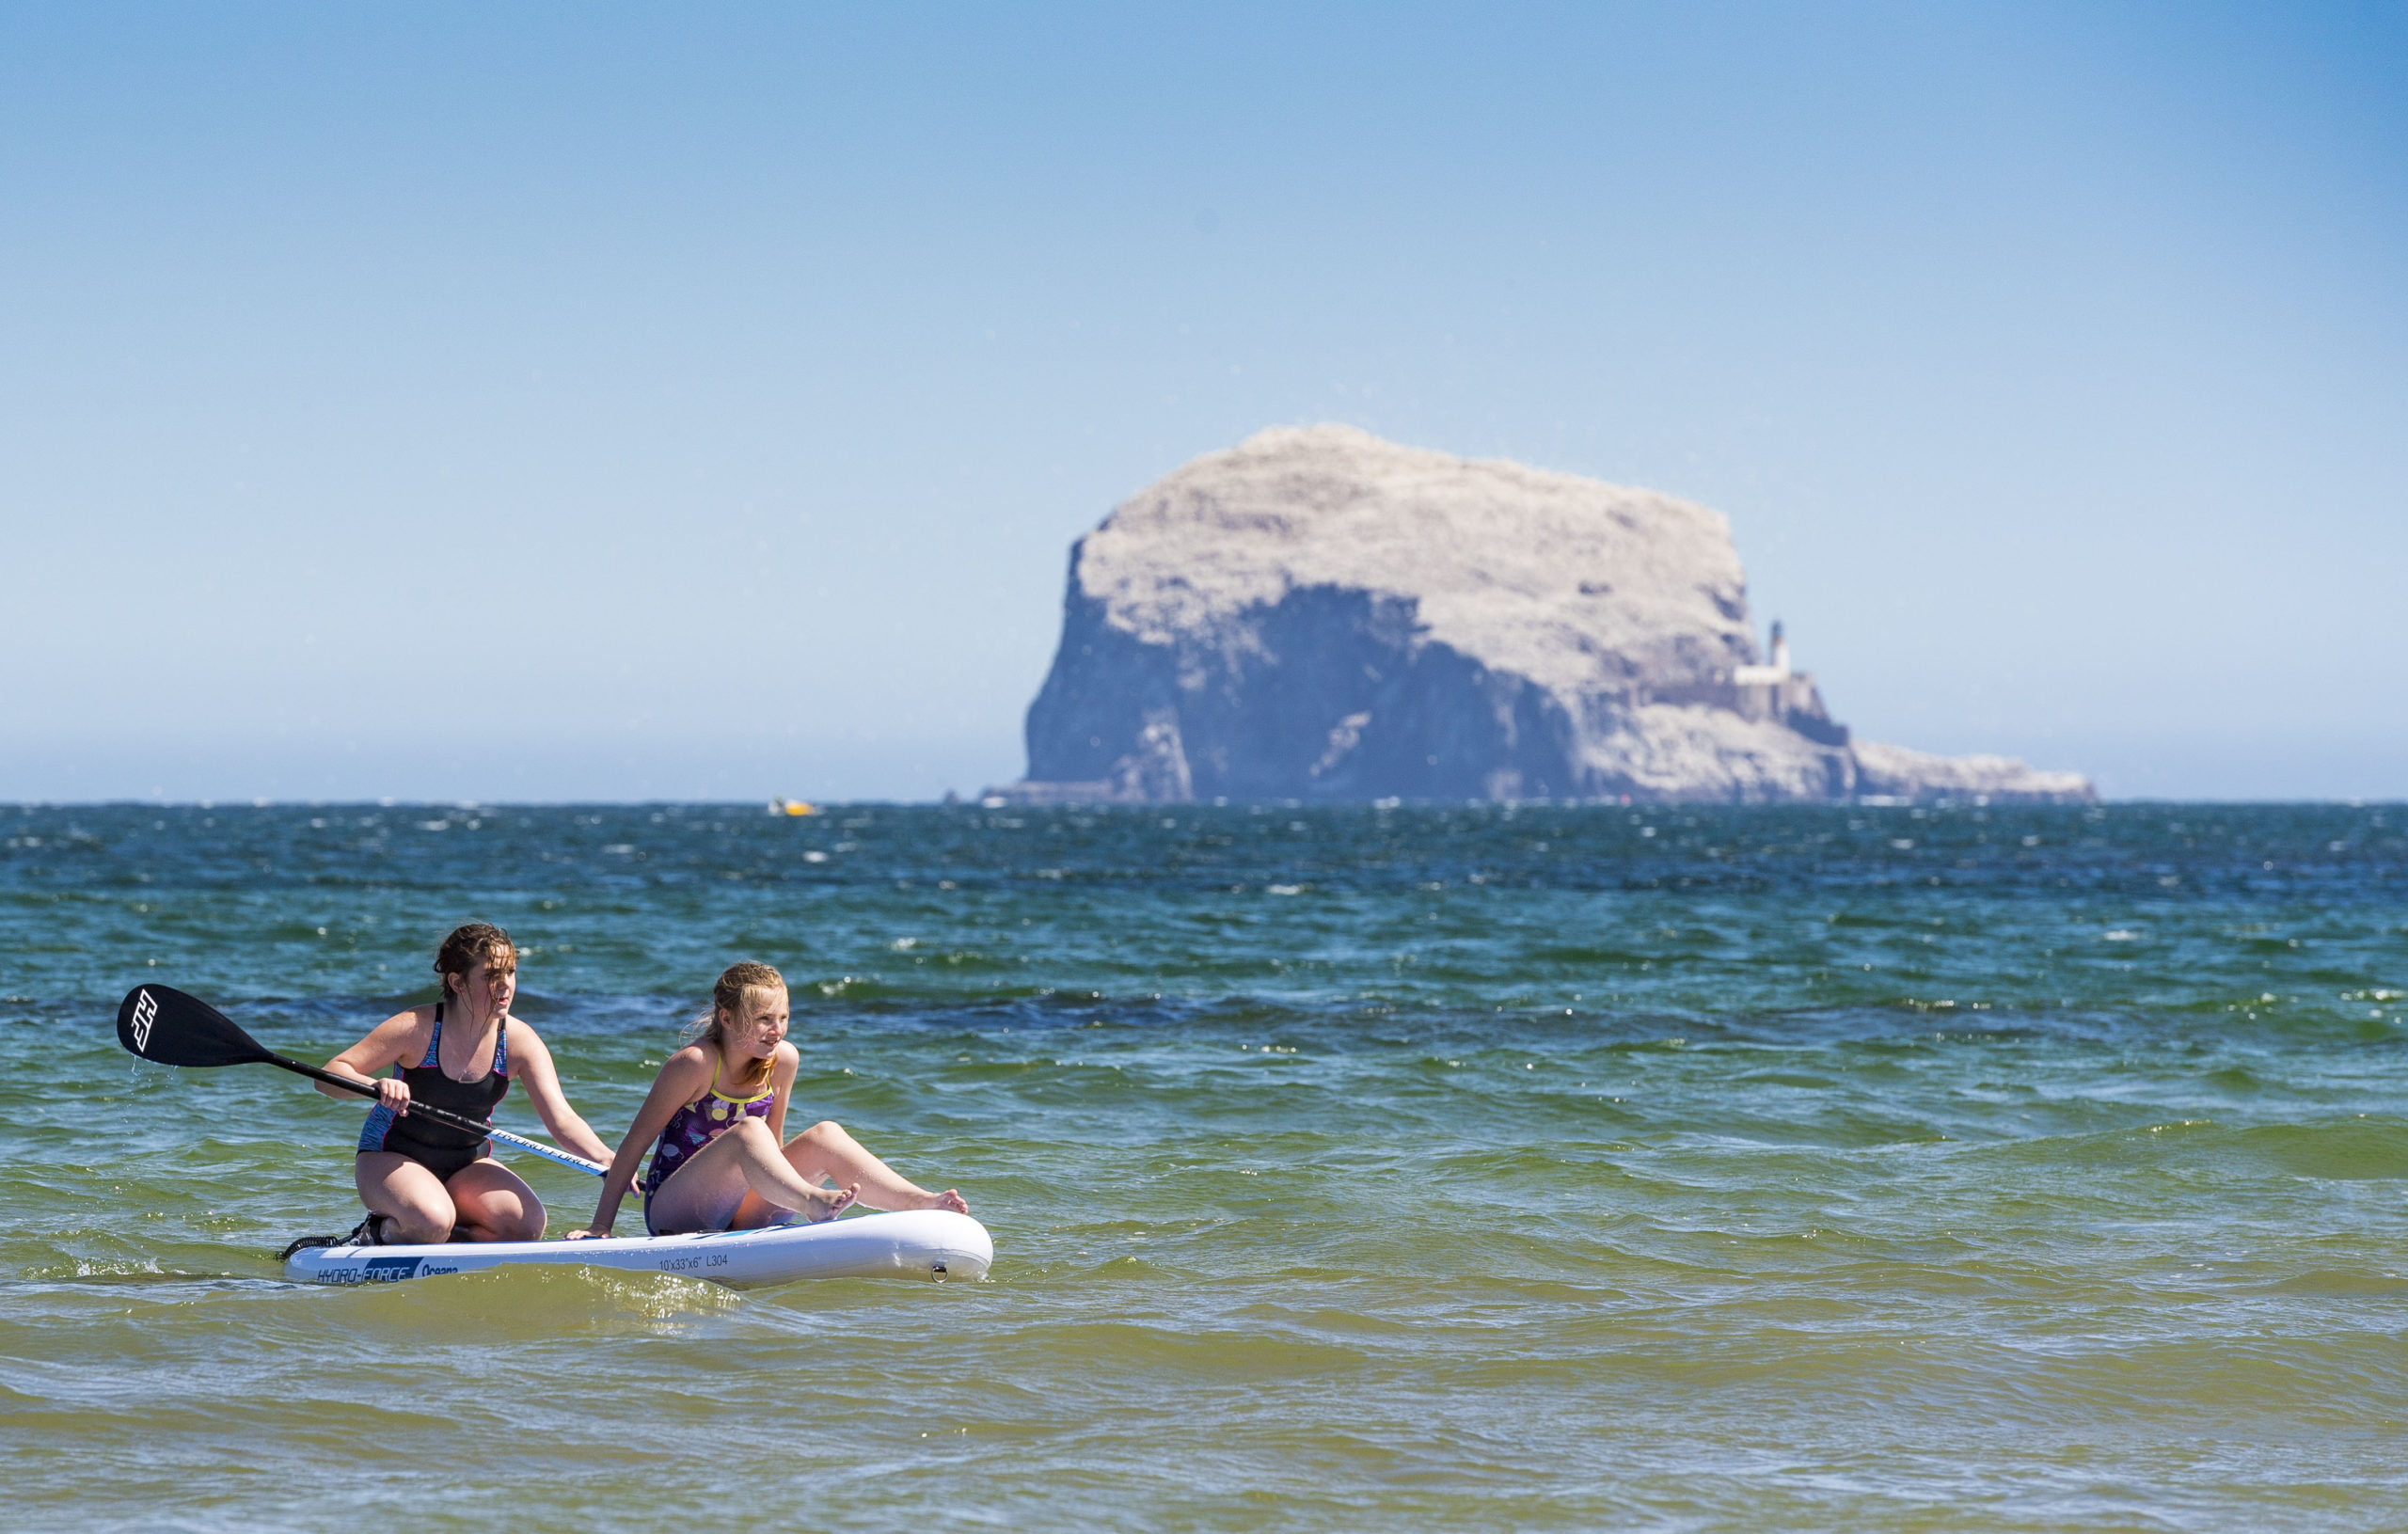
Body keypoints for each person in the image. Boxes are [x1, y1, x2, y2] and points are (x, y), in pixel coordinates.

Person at [570, 961, 967, 1241]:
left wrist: (775, 1196)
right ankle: (812, 1202)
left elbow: (772, 1149)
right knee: (749, 1130)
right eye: (764, 1019)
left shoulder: (783, 1060)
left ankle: (916, 1200)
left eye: (784, 1017)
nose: (776, 1030)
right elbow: (634, 1146)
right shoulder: (695, 1063)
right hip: (676, 1210)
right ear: (726, 1019)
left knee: (825, 1133)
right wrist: (601, 1226)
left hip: (740, 1210)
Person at [309, 923, 613, 1246]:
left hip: (466, 1163)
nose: (505, 985)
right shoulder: (416, 1028)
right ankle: (375, 1234)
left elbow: (561, 1119)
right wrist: (375, 1084)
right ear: (458, 982)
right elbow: (328, 1076)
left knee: (525, 1227)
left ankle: (434, 1234)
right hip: (390, 1157)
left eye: (510, 971)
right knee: (429, 1220)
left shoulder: (520, 1041)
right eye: (491, 975)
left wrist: (608, 1160)